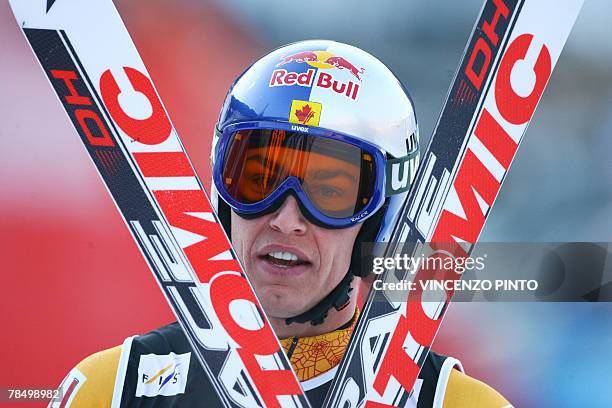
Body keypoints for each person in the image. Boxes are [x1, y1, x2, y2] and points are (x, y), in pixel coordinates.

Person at [51, 40, 511, 407]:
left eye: (328, 192)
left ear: (378, 219)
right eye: (258, 179)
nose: (286, 218)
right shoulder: (114, 390)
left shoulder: (455, 402)